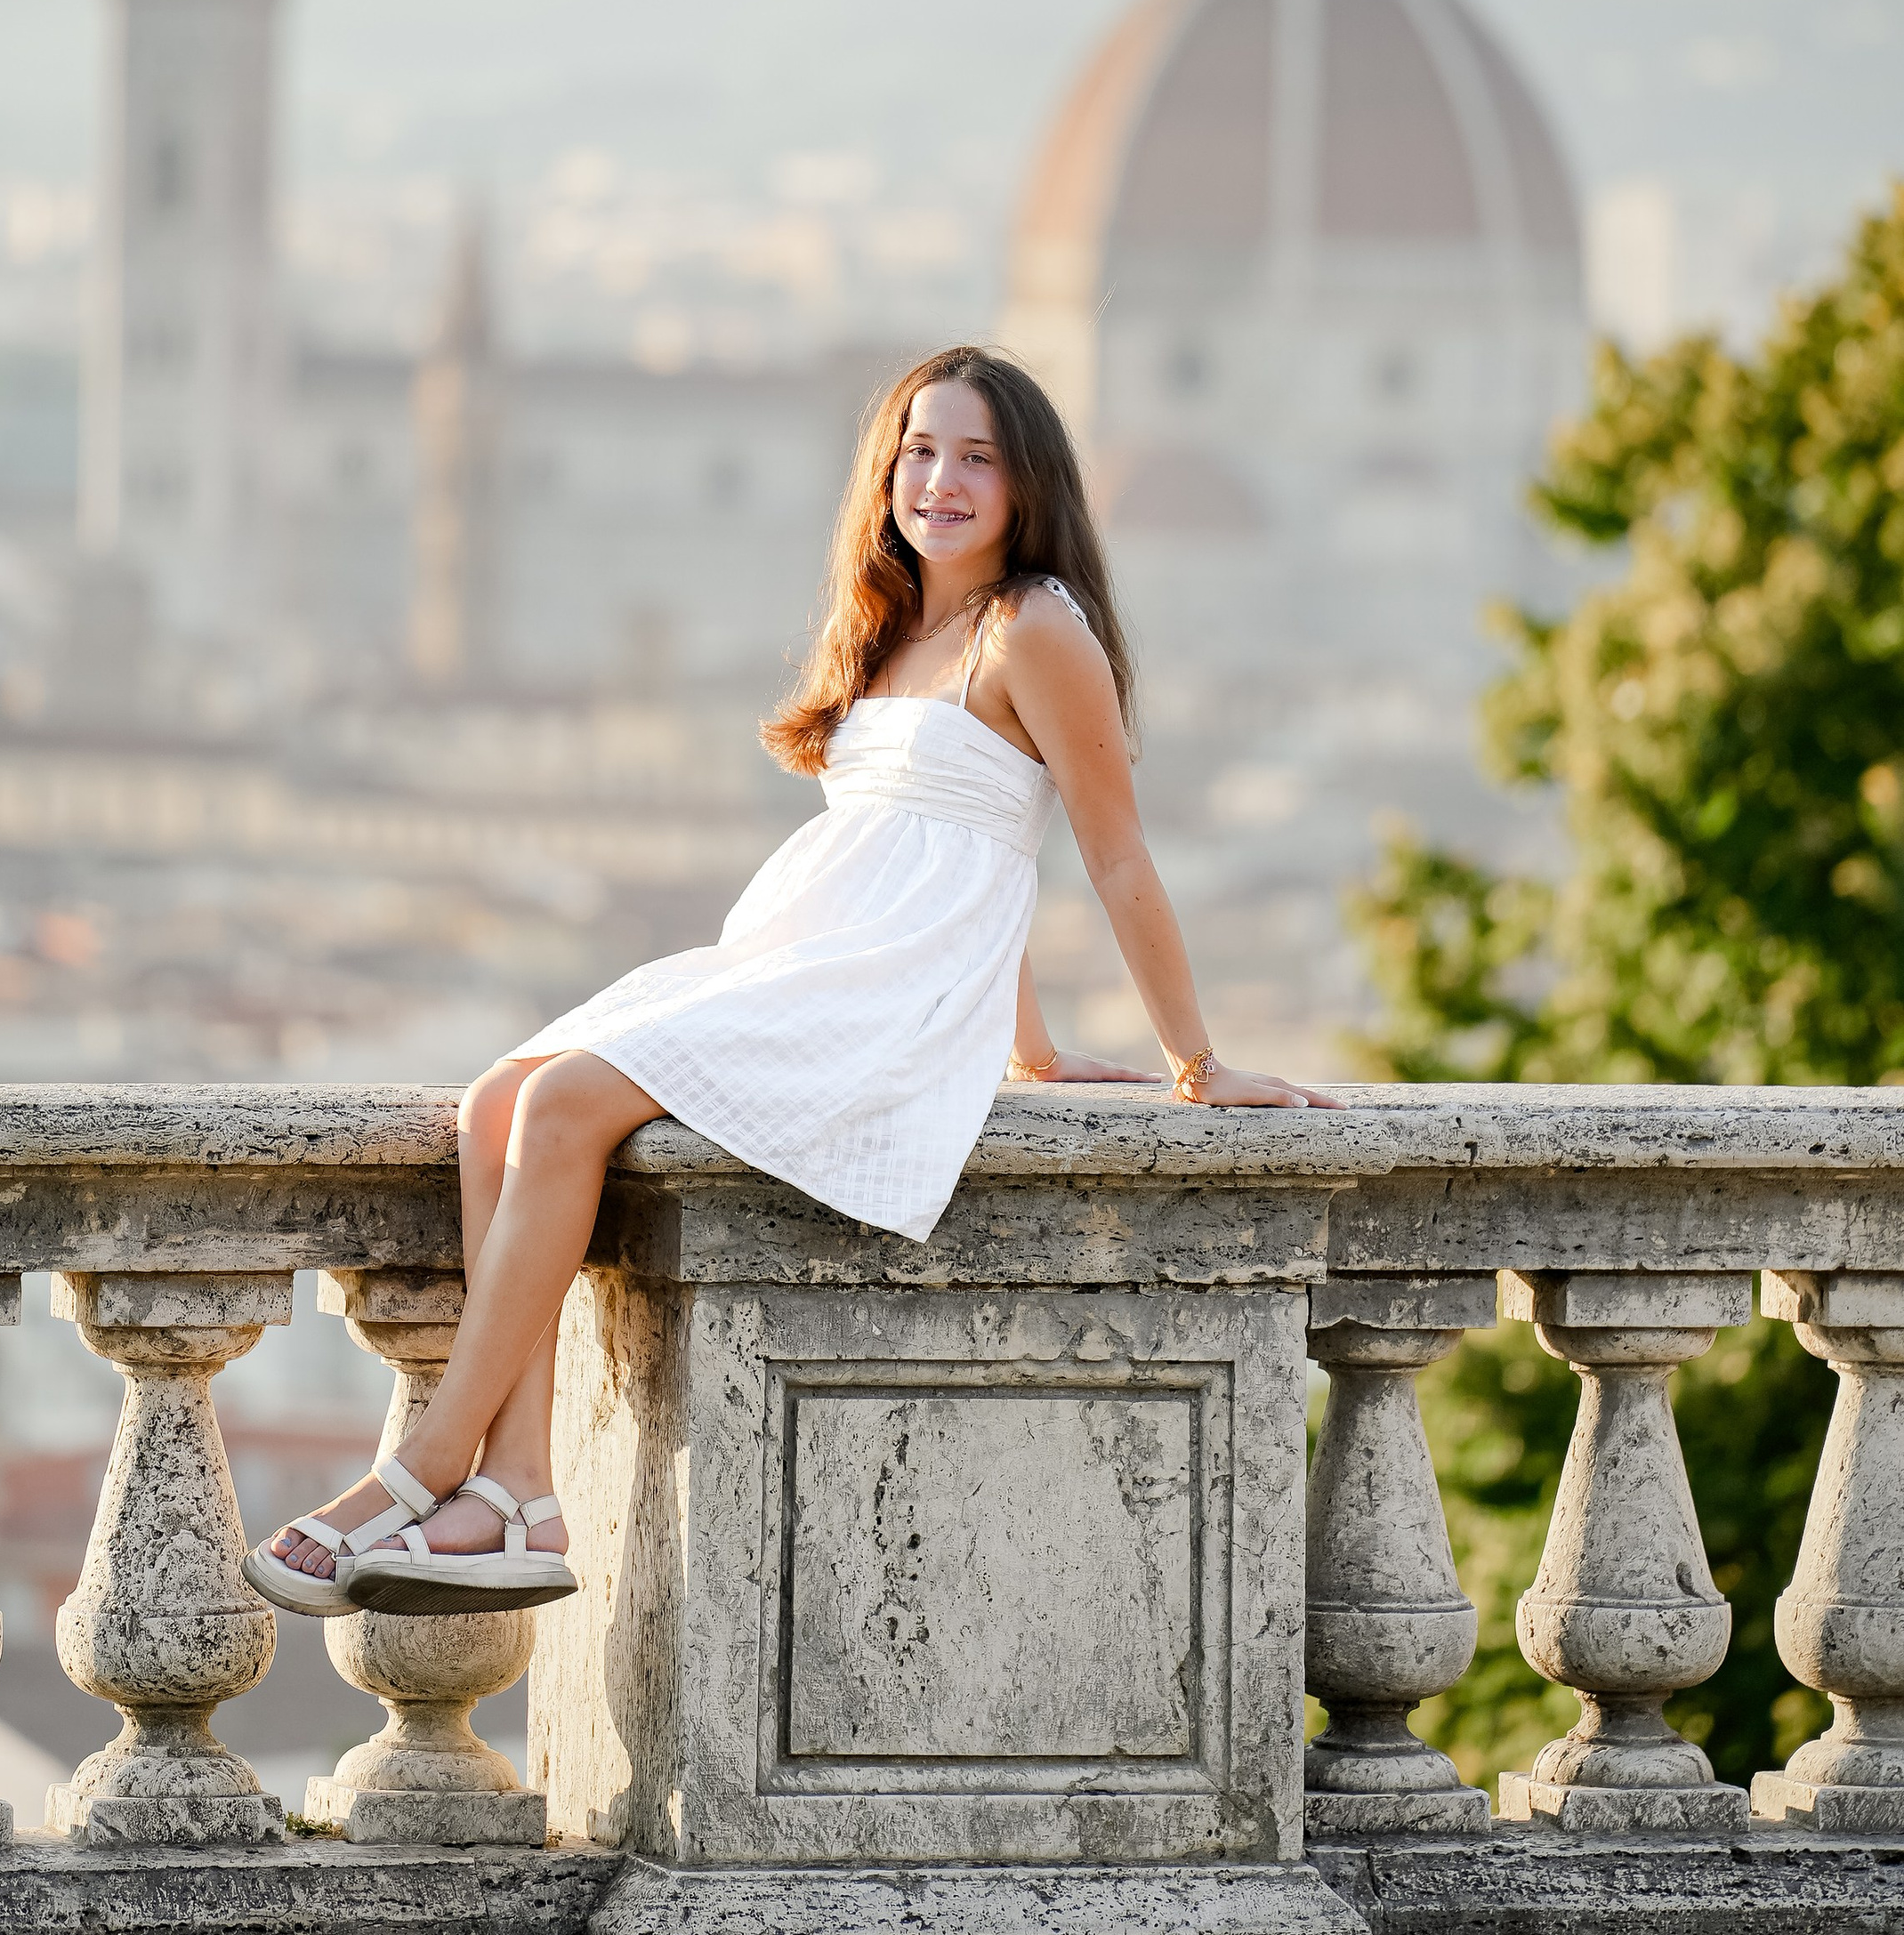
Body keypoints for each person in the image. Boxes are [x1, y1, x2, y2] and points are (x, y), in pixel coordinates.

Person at [244, 343, 1334, 1620]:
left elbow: (1107, 852)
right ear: (884, 473)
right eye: (920, 451)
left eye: (977, 456)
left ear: (1029, 481)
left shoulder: (1033, 628)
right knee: (501, 1098)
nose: (942, 479)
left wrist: (1196, 1062)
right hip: (812, 949)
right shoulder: (895, 624)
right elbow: (960, 851)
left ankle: (430, 1466)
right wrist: (1028, 1041)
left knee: (562, 1108)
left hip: (874, 992)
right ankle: (520, 1494)